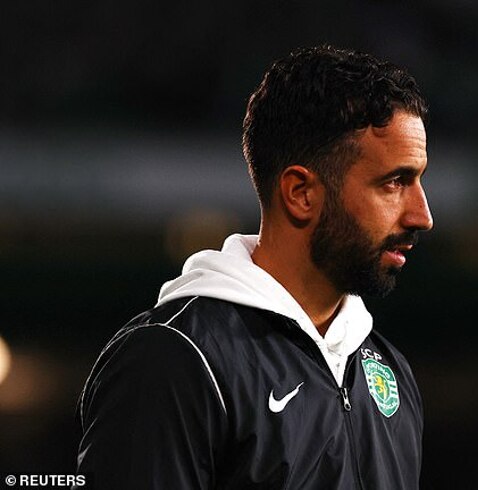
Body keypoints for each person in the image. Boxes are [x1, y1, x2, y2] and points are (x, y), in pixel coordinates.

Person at [74, 45, 433, 489]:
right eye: (395, 182)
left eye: (419, 180)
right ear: (301, 193)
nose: (422, 216)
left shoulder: (389, 371)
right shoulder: (174, 360)